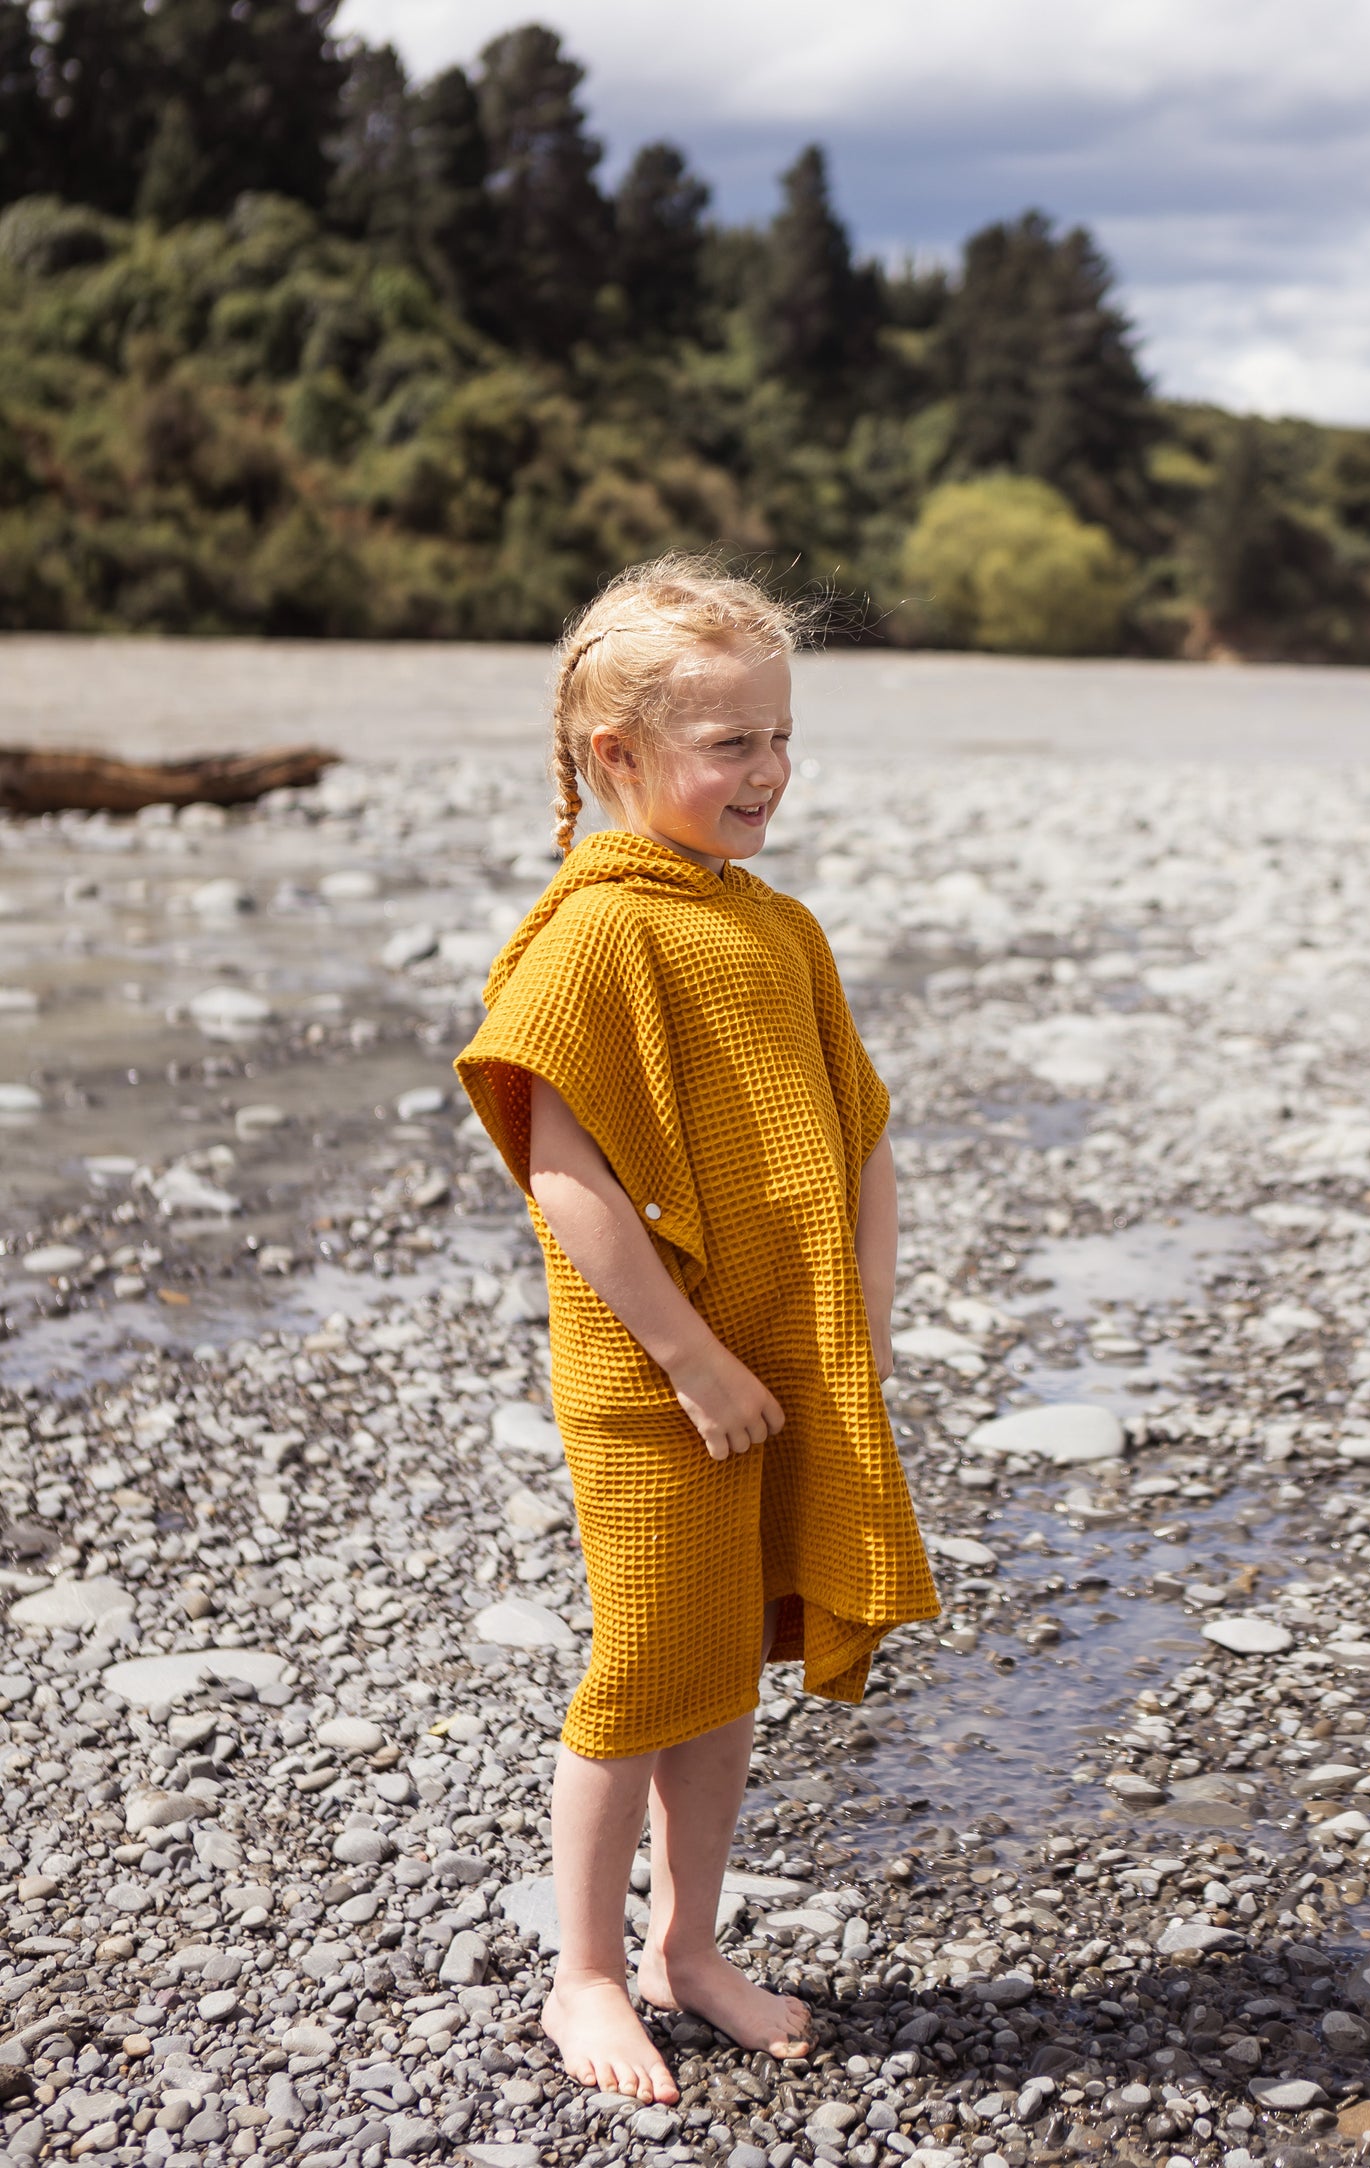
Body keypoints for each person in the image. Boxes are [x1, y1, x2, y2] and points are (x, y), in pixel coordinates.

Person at [454, 555, 937, 2105]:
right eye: (730, 743)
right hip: (658, 1381)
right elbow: (564, 1175)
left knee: (726, 1667)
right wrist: (688, 1355)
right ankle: (582, 1971)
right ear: (618, 756)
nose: (768, 772)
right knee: (646, 1666)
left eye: (779, 736)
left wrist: (851, 1323)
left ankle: (687, 1946)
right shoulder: (596, 935)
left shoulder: (778, 928)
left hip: (777, 1368)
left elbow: (857, 1130)